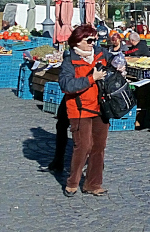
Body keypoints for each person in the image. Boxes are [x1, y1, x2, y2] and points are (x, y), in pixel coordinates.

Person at [58, 25, 110, 196]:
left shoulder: (101, 54)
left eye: (95, 39)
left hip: (101, 107)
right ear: (78, 41)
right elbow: (67, 85)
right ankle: (72, 182)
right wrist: (91, 78)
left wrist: (120, 65)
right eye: (89, 40)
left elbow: (116, 61)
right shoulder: (69, 61)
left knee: (99, 147)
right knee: (83, 146)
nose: (93, 43)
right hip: (79, 110)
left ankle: (93, 184)